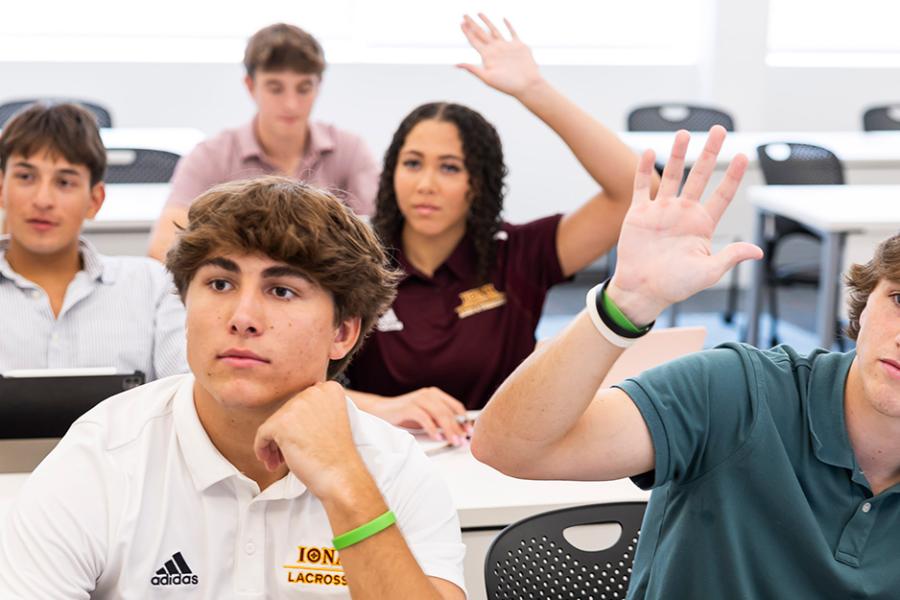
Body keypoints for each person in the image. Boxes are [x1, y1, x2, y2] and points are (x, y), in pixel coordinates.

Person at [472, 125, 900, 598]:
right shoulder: (738, 393)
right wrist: (623, 306)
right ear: (866, 300)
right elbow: (508, 447)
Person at [0, 177, 466, 599]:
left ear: (342, 331)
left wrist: (347, 488)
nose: (242, 317)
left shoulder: (391, 467)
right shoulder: (101, 458)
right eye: (220, 284)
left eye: (281, 290)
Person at [345, 15, 656, 442]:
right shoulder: (353, 257)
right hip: (377, 457)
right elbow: (293, 387)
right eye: (412, 163)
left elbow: (638, 192)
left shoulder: (520, 253)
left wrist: (534, 91)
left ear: (479, 184)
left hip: (503, 460)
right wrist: (384, 409)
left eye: (450, 168)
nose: (426, 184)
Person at [147, 22, 379, 261]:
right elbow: (163, 247)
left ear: (318, 87)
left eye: (303, 88)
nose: (291, 104)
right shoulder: (210, 156)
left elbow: (378, 242)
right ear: (250, 86)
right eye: (275, 88)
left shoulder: (351, 151)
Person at [0, 102, 186, 380]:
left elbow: (184, 395)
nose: (43, 201)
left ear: (95, 200)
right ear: (2, 189)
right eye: (26, 177)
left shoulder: (152, 287)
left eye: (64, 182)